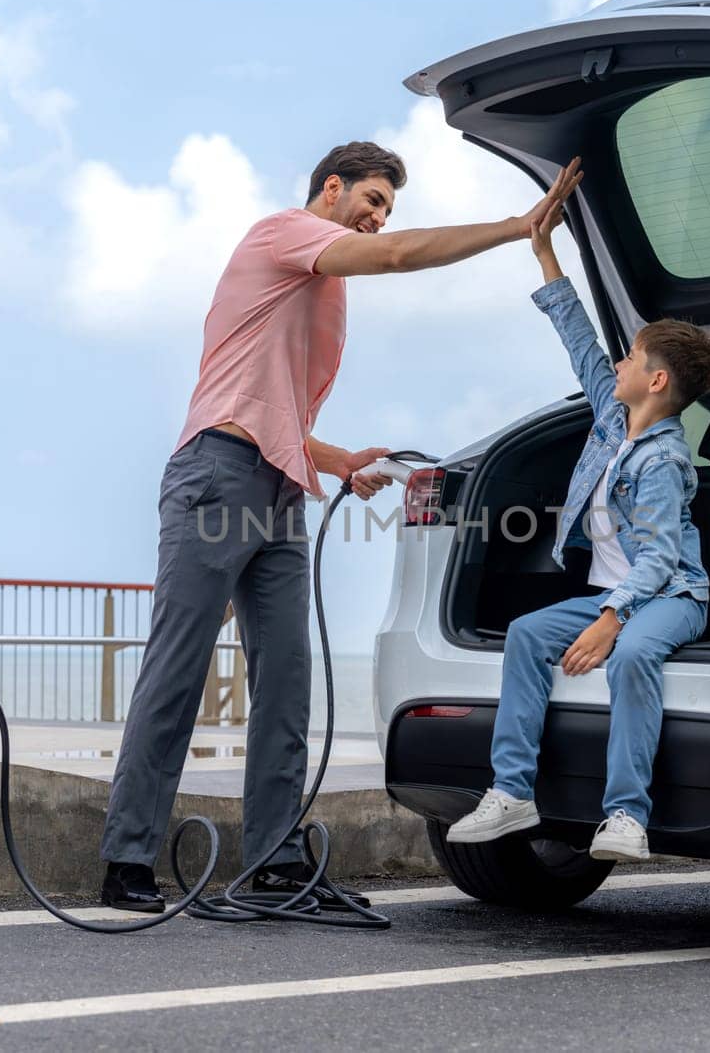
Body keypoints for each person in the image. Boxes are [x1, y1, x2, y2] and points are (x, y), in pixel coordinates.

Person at [100, 144, 585, 911]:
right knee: (178, 670)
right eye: (372, 198)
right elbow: (392, 258)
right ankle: (125, 859)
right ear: (331, 188)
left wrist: (339, 458)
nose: (380, 216)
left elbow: (276, 413)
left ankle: (276, 861)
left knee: (287, 682)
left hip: (280, 487)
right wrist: (516, 226)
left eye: (388, 206)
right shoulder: (283, 234)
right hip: (217, 476)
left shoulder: (320, 284)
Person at [446, 184, 710, 862]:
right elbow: (580, 343)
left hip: (672, 597)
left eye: (632, 357)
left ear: (657, 382)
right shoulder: (612, 419)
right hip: (615, 597)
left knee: (630, 654)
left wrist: (612, 619)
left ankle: (626, 814)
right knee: (526, 634)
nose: (619, 364)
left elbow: (659, 562)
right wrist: (545, 253)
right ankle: (511, 792)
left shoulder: (659, 462)